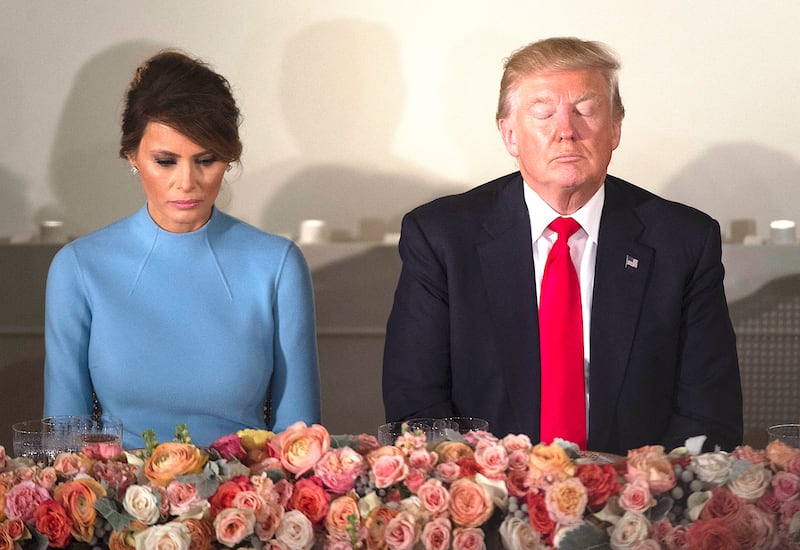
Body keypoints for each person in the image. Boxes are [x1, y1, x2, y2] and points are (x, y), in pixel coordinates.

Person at [382, 37, 742, 455]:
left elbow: (709, 411)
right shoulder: (442, 237)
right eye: (543, 113)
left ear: (615, 129)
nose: (566, 131)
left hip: (638, 502)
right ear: (510, 135)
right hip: (485, 499)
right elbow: (417, 405)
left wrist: (644, 499)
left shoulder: (683, 240)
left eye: (585, 110)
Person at [43, 51, 321, 448]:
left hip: (248, 503)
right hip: (118, 506)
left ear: (228, 159)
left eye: (205, 160)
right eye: (166, 161)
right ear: (132, 156)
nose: (186, 182)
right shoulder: (80, 267)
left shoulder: (277, 265)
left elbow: (299, 444)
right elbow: (65, 451)